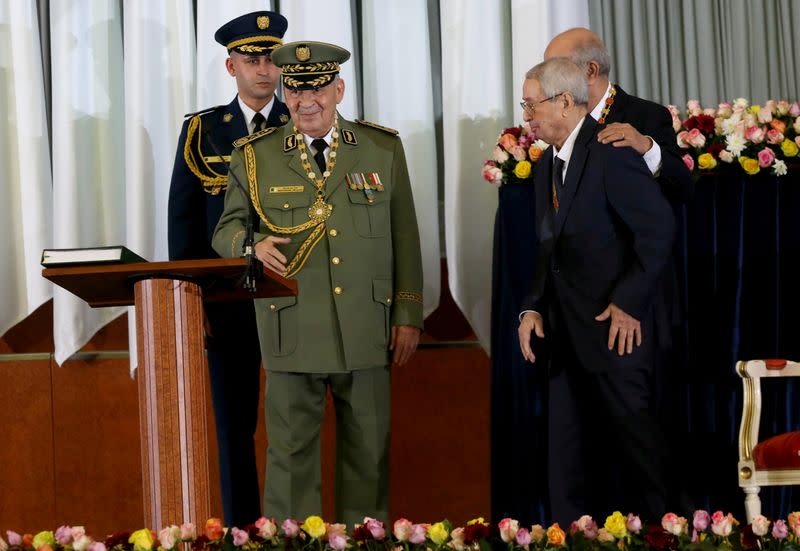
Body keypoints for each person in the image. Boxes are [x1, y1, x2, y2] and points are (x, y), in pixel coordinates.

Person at [212, 40, 423, 526]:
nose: (307, 102)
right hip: (292, 328)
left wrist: (408, 313)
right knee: (288, 465)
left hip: (368, 328)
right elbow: (226, 229)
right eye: (297, 92)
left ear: (339, 89)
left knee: (368, 458)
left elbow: (405, 237)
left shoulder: (380, 148)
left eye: (319, 91)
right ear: (286, 95)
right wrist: (251, 248)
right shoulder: (255, 156)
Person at [517, 57, 675, 525]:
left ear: (564, 102)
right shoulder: (546, 166)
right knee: (566, 466)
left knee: (641, 460)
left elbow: (659, 231)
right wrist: (531, 308)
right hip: (564, 340)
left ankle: (671, 535)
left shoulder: (611, 156)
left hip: (615, 336)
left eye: (531, 106)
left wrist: (628, 301)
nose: (526, 117)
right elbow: (548, 250)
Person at [544, 27, 694, 514]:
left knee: (640, 433)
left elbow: (680, 192)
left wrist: (648, 147)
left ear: (589, 70)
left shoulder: (644, 114)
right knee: (580, 444)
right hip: (576, 311)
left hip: (635, 305)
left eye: (557, 69)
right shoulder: (557, 120)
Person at [167, 10, 290, 528]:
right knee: (234, 427)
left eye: (270, 58)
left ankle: (293, 530)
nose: (263, 69)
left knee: (292, 426)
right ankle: (244, 531)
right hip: (227, 304)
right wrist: (190, 303)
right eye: (251, 58)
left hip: (291, 297)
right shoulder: (203, 131)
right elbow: (183, 224)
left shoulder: (305, 121)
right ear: (230, 66)